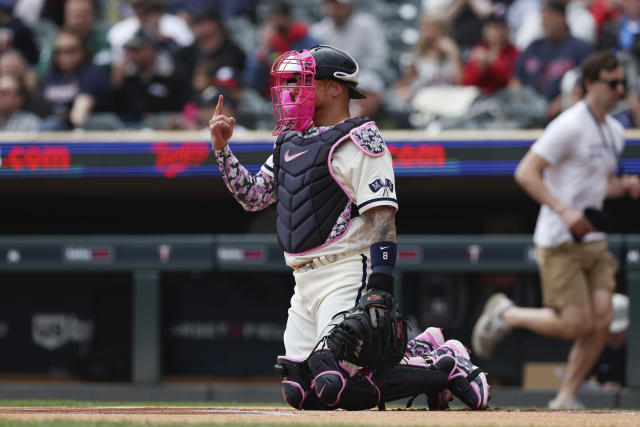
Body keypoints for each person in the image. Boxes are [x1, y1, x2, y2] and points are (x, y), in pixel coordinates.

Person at [210, 44, 489, 411]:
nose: (293, 91)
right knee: (301, 392)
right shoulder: (289, 141)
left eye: (305, 82)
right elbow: (253, 197)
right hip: (303, 280)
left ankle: (446, 366)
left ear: (334, 88)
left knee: (335, 382)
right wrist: (222, 150)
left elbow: (383, 218)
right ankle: (423, 350)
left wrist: (381, 286)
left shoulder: (360, 139)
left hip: (346, 269)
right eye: (292, 83)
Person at [472, 50, 640, 409]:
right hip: (560, 238)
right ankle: (506, 314)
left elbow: (599, 184)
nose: (619, 89)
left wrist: (623, 187)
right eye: (612, 83)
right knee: (577, 325)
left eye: (623, 83)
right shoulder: (568, 124)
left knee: (603, 320)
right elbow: (525, 172)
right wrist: (563, 210)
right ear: (591, 84)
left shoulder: (613, 129)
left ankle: (564, 399)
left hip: (592, 237)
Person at [510, 0, 592, 119]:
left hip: (565, 114)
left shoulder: (580, 48)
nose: (546, 23)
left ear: (563, 18)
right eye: (544, 18)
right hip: (528, 112)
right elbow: (516, 79)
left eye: (550, 18)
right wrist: (519, 104)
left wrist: (561, 104)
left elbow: (587, 83)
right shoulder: (534, 47)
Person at [39, 29, 109, 130]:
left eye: (70, 51)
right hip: (50, 130)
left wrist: (61, 115)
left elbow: (78, 117)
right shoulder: (52, 74)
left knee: (52, 125)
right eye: (59, 52)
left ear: (83, 51)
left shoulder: (91, 74)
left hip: (84, 132)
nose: (64, 57)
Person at [461, 12, 519, 95]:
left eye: (501, 27)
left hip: (504, 99)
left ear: (507, 29)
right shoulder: (478, 50)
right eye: (493, 27)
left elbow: (512, 82)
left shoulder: (515, 53)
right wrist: (480, 68)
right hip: (479, 98)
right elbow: (466, 83)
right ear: (486, 29)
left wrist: (492, 64)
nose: (497, 32)